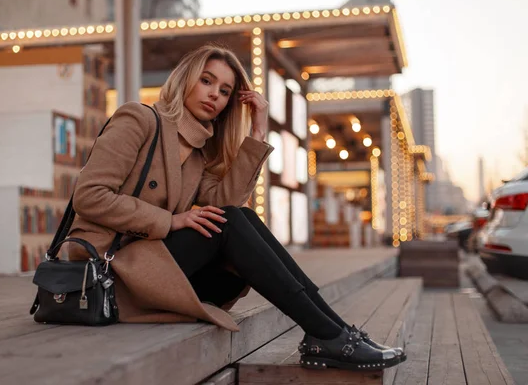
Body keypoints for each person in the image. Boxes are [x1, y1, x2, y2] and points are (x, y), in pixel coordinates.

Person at [68, 44, 405, 371]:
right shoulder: (138, 119)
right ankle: (329, 333)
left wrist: (258, 130)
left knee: (241, 216)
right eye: (206, 80)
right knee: (231, 220)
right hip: (108, 273)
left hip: (151, 265)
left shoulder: (197, 153)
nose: (215, 94)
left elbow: (227, 205)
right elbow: (89, 195)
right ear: (186, 78)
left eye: (226, 90)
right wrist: (170, 222)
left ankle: (332, 329)